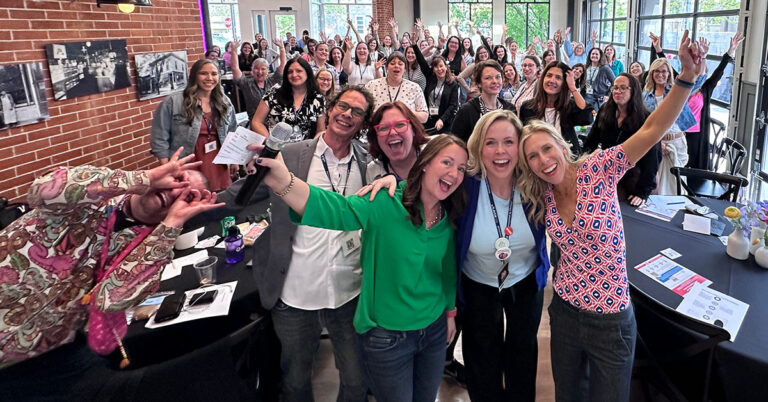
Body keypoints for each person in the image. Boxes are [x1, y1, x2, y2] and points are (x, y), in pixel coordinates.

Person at [517, 30, 704, 402]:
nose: (543, 160)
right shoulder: (543, 195)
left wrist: (685, 79)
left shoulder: (598, 168)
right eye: (533, 157)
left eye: (546, 149)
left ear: (561, 145)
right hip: (565, 314)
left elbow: (651, 130)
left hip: (611, 319)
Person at [250, 133, 466, 402]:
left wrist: (450, 312)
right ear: (425, 163)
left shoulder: (448, 214)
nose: (454, 173)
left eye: (460, 168)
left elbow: (446, 271)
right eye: (447, 162)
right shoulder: (387, 202)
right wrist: (284, 181)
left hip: (433, 332)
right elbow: (337, 209)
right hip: (389, 338)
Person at [0, 151, 222, 399]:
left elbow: (111, 300)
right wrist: (146, 178)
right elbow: (42, 191)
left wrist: (171, 224)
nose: (173, 194)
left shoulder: (150, 248)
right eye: (176, 182)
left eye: (186, 196)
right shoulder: (95, 197)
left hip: (34, 359)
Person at [223, 87, 375, 402]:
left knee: (357, 380)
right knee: (294, 380)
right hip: (295, 290)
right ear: (330, 109)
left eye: (357, 112)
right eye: (343, 106)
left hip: (349, 289)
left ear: (363, 123)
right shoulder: (291, 155)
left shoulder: (370, 163)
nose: (347, 114)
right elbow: (242, 194)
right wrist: (199, 200)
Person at [457, 110, 550, 402]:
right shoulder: (464, 185)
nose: (500, 152)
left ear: (520, 146)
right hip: (477, 282)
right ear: (477, 147)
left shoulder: (536, 181)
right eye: (490, 143)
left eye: (509, 142)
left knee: (523, 352)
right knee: (482, 356)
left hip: (525, 280)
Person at [150, 59, 238, 191]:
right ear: (194, 76)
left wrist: (234, 159)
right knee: (191, 200)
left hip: (218, 163)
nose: (209, 78)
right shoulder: (173, 102)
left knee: (220, 203)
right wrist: (167, 169)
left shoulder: (224, 102)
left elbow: (232, 132)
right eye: (204, 73)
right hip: (188, 161)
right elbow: (159, 138)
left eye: (214, 74)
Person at [583, 73, 658, 206]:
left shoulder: (645, 118)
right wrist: (583, 165)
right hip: (607, 176)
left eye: (623, 88)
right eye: (615, 88)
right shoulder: (605, 111)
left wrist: (642, 192)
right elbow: (591, 141)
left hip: (634, 179)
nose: (618, 91)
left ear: (633, 91)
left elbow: (653, 158)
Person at [686, 33, 744, 170]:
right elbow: (665, 70)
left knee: (692, 166)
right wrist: (658, 49)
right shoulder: (681, 85)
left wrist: (730, 51)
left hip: (696, 133)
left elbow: (719, 71)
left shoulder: (705, 88)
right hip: (679, 133)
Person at [643, 57, 697, 195]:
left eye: (664, 71)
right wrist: (657, 142)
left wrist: (697, 59)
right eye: (656, 71)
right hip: (656, 143)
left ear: (668, 74)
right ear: (651, 73)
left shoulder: (676, 92)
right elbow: (644, 123)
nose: (660, 74)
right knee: (657, 184)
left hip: (676, 141)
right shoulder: (645, 95)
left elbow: (697, 80)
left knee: (676, 184)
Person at [519, 61, 592, 154]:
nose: (552, 80)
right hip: (539, 158)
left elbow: (588, 117)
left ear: (565, 83)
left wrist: (573, 88)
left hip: (567, 159)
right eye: (549, 75)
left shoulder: (569, 106)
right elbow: (524, 138)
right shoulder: (527, 107)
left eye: (558, 77)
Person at [251, 57, 326, 142]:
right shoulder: (273, 93)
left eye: (299, 71)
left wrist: (311, 146)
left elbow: (321, 130)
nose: (294, 75)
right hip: (275, 150)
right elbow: (256, 122)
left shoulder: (318, 99)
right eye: (290, 72)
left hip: (304, 150)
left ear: (307, 72)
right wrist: (270, 143)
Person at [364, 101, 429, 182]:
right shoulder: (371, 172)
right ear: (375, 136)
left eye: (400, 125)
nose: (392, 132)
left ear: (413, 129)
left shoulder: (433, 160)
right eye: (383, 128)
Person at [452, 60, 515, 142]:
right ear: (478, 83)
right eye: (488, 78)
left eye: (498, 77)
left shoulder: (510, 109)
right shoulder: (467, 111)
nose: (494, 81)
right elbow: (456, 142)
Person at [230, 38, 286, 120]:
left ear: (268, 71)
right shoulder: (246, 83)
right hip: (256, 121)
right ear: (252, 70)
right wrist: (234, 50)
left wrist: (282, 48)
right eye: (256, 68)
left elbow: (283, 64)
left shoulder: (273, 80)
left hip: (275, 119)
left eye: (263, 69)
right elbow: (235, 68)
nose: (259, 72)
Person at [365, 52, 429, 123]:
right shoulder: (372, 85)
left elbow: (424, 118)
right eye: (392, 63)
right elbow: (362, 112)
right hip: (378, 130)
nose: (396, 66)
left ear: (405, 69)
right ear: (386, 67)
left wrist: (405, 113)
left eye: (400, 64)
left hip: (405, 131)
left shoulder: (414, 87)